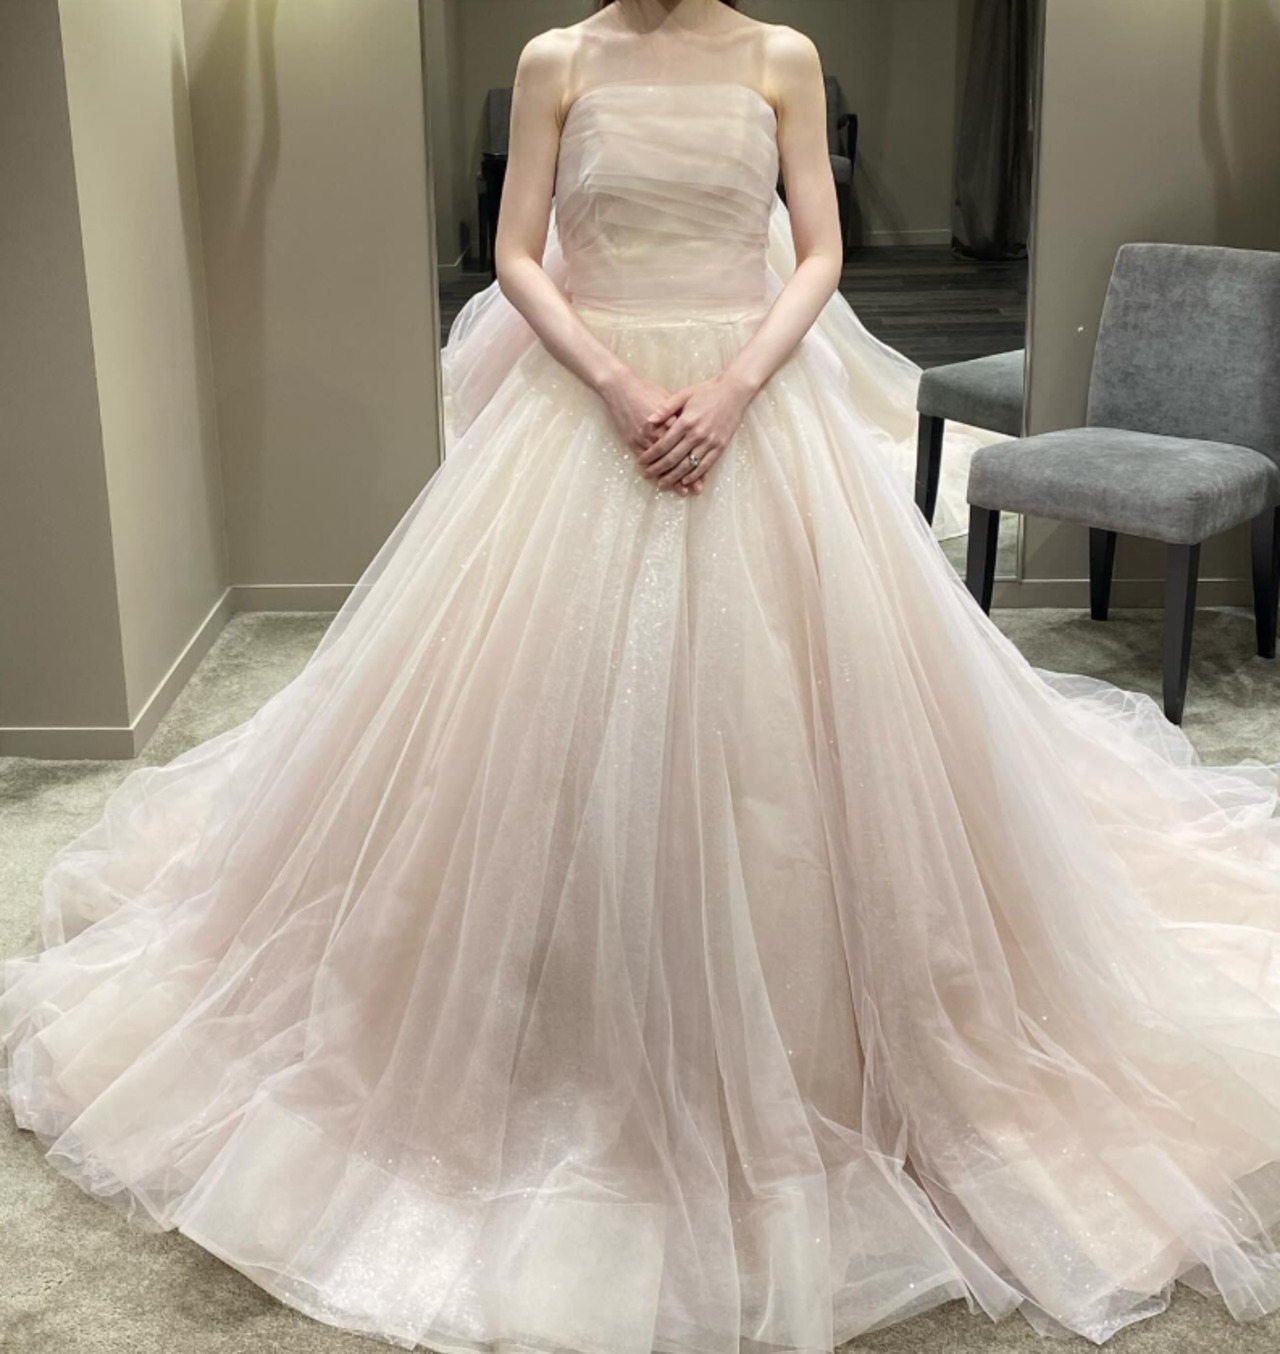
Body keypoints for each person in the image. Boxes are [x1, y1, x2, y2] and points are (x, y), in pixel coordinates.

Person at [4, 2, 1280, 1351]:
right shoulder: (557, 59)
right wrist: (616, 383)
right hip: (586, 413)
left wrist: (733, 388)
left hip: (754, 410)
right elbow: (517, 254)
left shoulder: (780, 56)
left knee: (791, 746)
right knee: (519, 743)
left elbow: (820, 251)